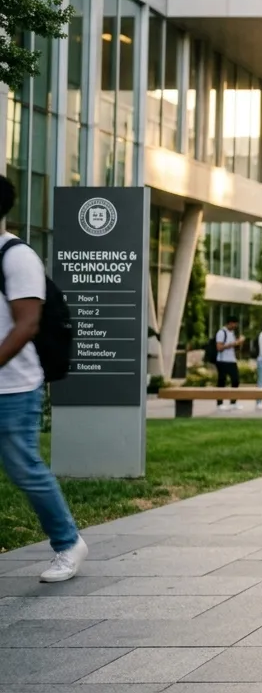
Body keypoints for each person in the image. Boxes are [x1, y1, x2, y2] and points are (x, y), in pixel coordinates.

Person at [0, 175, 87, 582]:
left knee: (24, 469)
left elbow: (27, 324)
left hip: (14, 388)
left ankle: (68, 543)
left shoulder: (16, 257)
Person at [214, 317, 243, 411]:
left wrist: (238, 343)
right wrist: (234, 343)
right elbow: (219, 347)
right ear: (230, 323)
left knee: (236, 380)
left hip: (232, 360)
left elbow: (233, 346)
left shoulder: (232, 333)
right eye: (234, 324)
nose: (236, 326)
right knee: (222, 381)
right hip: (222, 361)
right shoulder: (221, 332)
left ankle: (233, 402)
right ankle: (219, 403)